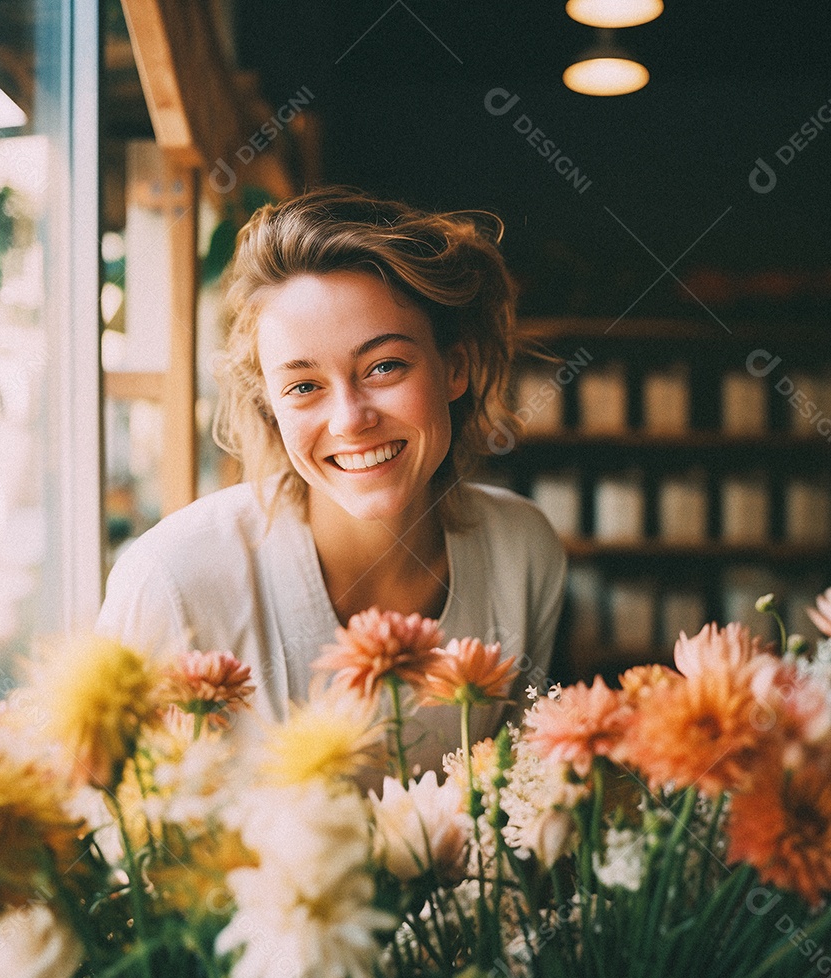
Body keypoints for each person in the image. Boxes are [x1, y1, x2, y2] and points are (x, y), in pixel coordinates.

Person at [96, 186, 566, 776]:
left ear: (455, 367)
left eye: (384, 366)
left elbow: (523, 811)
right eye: (303, 386)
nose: (350, 420)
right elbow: (116, 836)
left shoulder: (523, 553)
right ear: (270, 404)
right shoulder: (174, 580)